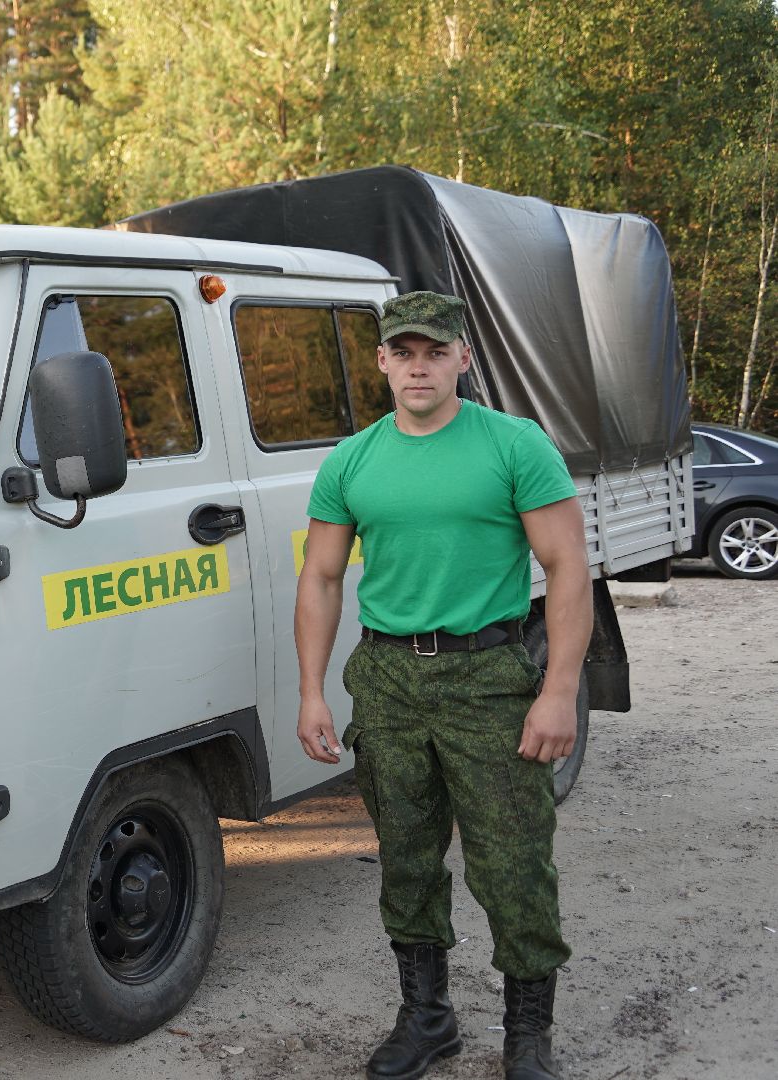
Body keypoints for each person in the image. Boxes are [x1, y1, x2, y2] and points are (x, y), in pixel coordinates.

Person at [294, 292, 592, 1080]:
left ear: (464, 358)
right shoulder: (352, 460)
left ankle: (527, 1035)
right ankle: (427, 1020)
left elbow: (566, 568)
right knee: (407, 857)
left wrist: (558, 689)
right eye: (404, 352)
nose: (419, 366)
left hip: (489, 676)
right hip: (387, 680)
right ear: (383, 361)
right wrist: (311, 691)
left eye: (436, 351)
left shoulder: (515, 446)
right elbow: (321, 578)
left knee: (512, 861)